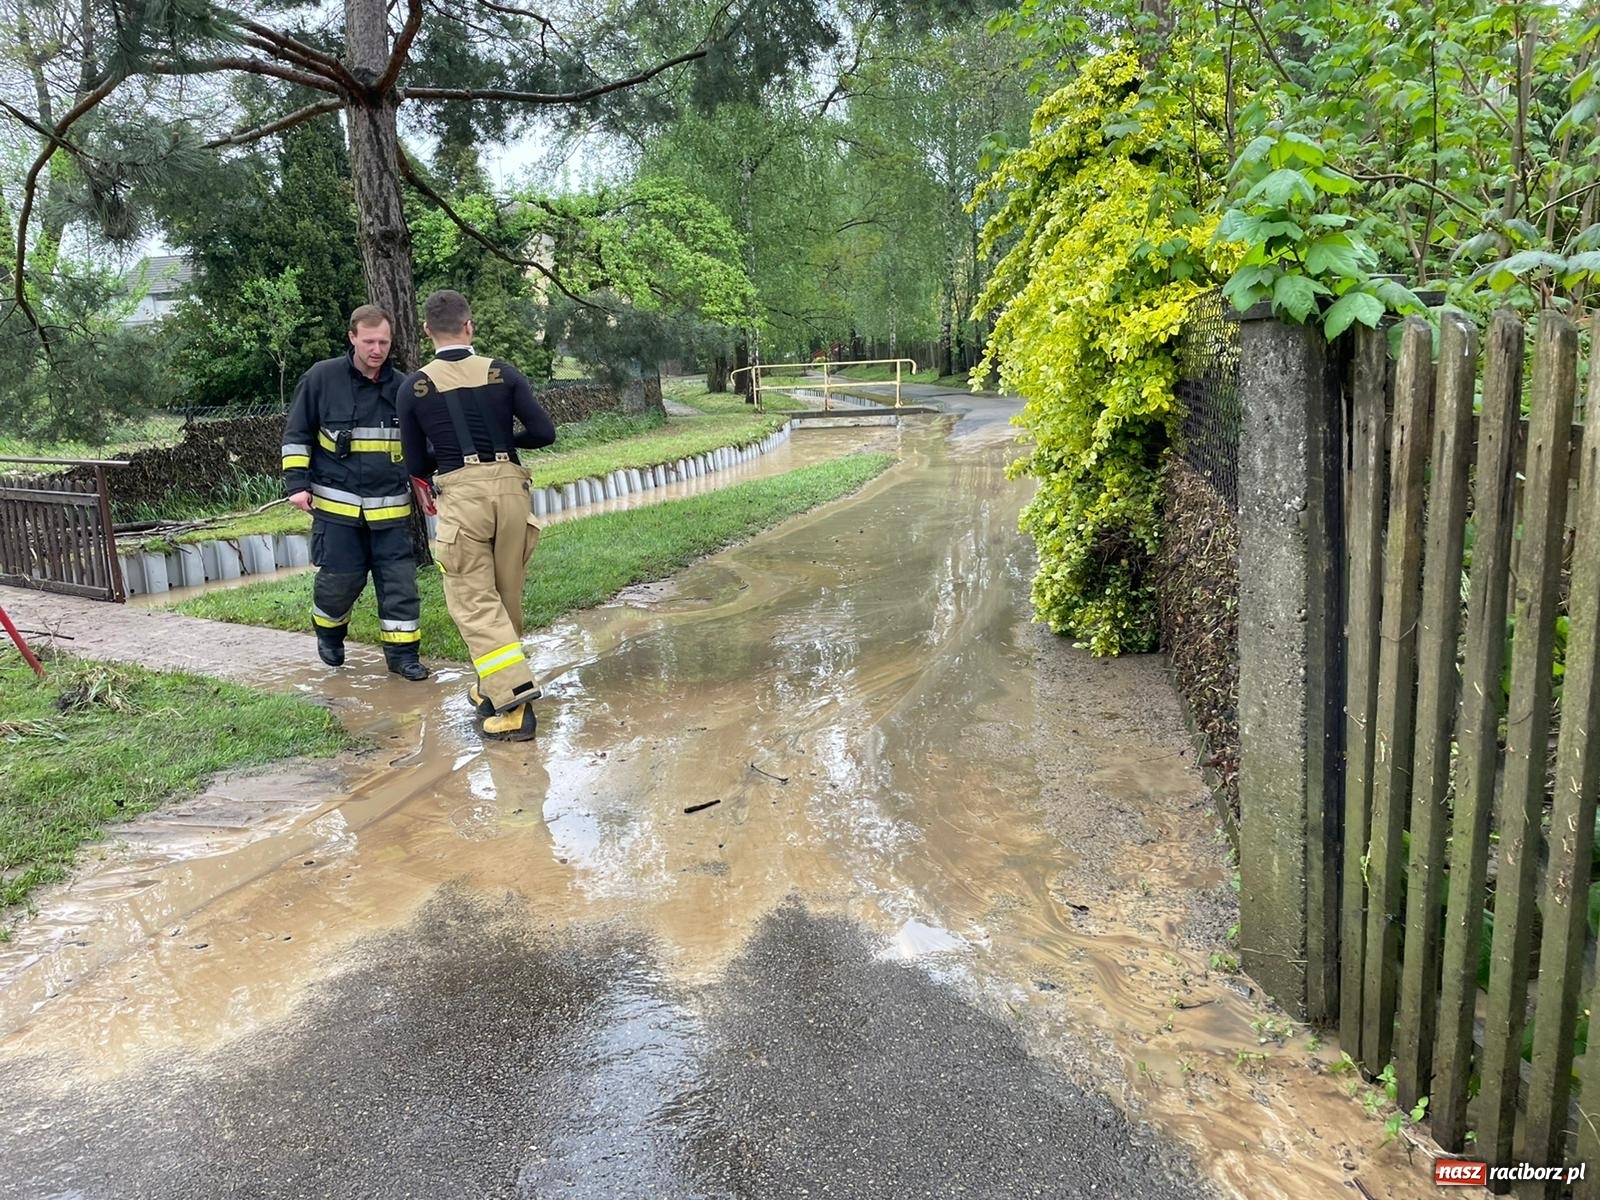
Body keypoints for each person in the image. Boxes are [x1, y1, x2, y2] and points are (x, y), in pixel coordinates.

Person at [398, 290, 556, 741]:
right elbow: (544, 433)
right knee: (505, 596)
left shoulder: (415, 386)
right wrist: (503, 443)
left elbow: (415, 463)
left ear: (427, 330)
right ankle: (492, 686)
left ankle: (514, 706)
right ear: (469, 327)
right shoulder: (501, 372)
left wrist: (447, 457)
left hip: (463, 497)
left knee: (473, 601)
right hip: (512, 491)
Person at [281, 305, 428, 681]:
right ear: (352, 338)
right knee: (339, 584)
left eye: (384, 342)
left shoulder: (404, 388)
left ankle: (403, 656)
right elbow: (297, 434)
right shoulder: (321, 378)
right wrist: (297, 485)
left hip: (391, 513)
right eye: (369, 342)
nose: (377, 350)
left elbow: (420, 445)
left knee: (400, 586)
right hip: (337, 511)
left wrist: (428, 483)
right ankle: (329, 633)